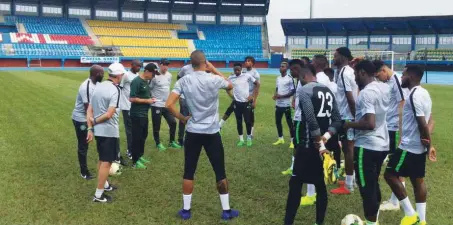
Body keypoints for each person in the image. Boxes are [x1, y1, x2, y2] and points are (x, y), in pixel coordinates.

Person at [165, 50, 239, 221]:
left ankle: (186, 210)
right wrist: (213, 69)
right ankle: (226, 210)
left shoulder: (184, 80)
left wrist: (182, 118)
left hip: (192, 132)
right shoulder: (214, 79)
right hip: (212, 132)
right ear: (205, 63)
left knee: (189, 171)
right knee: (219, 171)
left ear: (191, 64)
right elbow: (229, 84)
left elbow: (169, 104)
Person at [284, 62, 342, 225]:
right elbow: (337, 120)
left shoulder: (304, 90)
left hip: (309, 146)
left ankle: (288, 222)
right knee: (320, 185)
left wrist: (319, 143)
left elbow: (310, 119)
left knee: (295, 183)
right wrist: (326, 137)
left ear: (303, 76)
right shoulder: (328, 90)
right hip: (322, 145)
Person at [384, 65, 436, 225]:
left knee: (390, 174)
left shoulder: (414, 96)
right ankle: (422, 220)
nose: (401, 78)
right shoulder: (424, 93)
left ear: (411, 77)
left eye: (404, 75)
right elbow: (430, 120)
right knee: (417, 180)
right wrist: (428, 146)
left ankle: (410, 213)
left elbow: (423, 124)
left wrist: (428, 146)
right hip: (417, 147)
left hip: (409, 146)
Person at [342, 60, 390, 225]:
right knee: (373, 183)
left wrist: (348, 124)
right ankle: (373, 220)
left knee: (366, 189)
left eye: (356, 74)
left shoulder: (366, 93)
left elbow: (369, 123)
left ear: (362, 72)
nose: (354, 78)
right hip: (383, 144)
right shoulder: (383, 88)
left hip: (367, 146)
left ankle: (370, 223)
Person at [86, 63, 126, 203]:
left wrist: (90, 127)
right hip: (109, 131)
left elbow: (89, 109)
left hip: (99, 132)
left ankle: (106, 185)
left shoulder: (98, 87)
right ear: (119, 75)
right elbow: (109, 114)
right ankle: (98, 195)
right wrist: (95, 121)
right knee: (106, 163)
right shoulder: (116, 90)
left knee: (102, 159)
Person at [371, 60, 408, 211]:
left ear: (384, 70)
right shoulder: (389, 81)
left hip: (394, 128)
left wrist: (401, 130)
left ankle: (395, 202)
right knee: (394, 164)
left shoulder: (396, 80)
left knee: (395, 166)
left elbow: (403, 102)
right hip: (389, 127)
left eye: (379, 75)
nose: (379, 79)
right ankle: (395, 201)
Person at [330, 47, 358, 195]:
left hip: (347, 117)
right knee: (347, 148)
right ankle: (350, 179)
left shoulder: (346, 73)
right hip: (344, 115)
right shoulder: (343, 71)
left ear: (343, 57)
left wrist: (354, 118)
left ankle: (348, 185)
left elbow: (350, 97)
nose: (334, 58)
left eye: (335, 56)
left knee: (348, 149)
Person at [72, 65, 104, 180]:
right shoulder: (86, 87)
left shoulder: (97, 84)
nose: (103, 75)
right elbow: (87, 109)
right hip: (81, 119)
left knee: (101, 140)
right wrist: (94, 123)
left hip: (92, 117)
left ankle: (105, 165)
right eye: (102, 73)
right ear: (96, 74)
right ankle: (84, 172)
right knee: (83, 145)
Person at [129, 63, 158, 169]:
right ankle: (135, 161)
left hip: (144, 114)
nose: (154, 76)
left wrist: (151, 99)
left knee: (143, 136)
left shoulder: (145, 81)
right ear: (147, 71)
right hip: (137, 114)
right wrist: (147, 100)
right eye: (153, 74)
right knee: (136, 138)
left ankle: (140, 156)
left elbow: (144, 95)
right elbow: (131, 98)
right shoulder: (136, 81)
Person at [149, 59, 181, 151]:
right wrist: (152, 99)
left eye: (167, 65)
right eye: (164, 65)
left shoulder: (169, 75)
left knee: (173, 122)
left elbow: (167, 88)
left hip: (166, 104)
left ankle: (171, 142)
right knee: (157, 125)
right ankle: (158, 143)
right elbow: (149, 88)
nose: (166, 67)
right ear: (160, 65)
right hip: (156, 104)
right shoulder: (154, 76)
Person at [227, 63, 260, 147]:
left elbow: (257, 84)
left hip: (246, 103)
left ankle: (248, 138)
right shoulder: (231, 77)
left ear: (241, 69)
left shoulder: (247, 76)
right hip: (237, 103)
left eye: (238, 70)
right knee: (238, 121)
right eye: (235, 70)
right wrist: (231, 96)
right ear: (233, 70)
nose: (237, 71)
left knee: (248, 121)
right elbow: (226, 87)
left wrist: (252, 96)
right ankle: (241, 140)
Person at [119, 60, 141, 160]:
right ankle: (129, 150)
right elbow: (120, 88)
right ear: (132, 65)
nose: (139, 67)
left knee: (136, 129)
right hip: (126, 106)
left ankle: (135, 149)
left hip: (135, 106)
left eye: (140, 66)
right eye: (137, 66)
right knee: (130, 130)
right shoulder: (126, 75)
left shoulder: (138, 75)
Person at [272, 61, 295, 148]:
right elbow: (277, 88)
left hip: (286, 105)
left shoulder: (290, 78)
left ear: (287, 68)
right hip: (278, 104)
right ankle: (280, 138)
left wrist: (281, 96)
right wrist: (275, 95)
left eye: (283, 66)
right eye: (280, 66)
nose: (281, 68)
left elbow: (293, 91)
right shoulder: (278, 78)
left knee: (290, 123)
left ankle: (292, 141)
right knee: (278, 122)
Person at [176, 61, 193, 146]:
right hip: (184, 98)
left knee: (194, 119)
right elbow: (178, 77)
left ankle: (191, 139)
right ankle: (180, 140)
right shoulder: (185, 68)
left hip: (195, 99)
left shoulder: (203, 68)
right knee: (183, 118)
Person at [244, 56, 260, 137]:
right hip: (243, 96)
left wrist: (254, 99)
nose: (247, 62)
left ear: (253, 63)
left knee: (250, 115)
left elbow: (257, 87)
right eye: (246, 61)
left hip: (250, 97)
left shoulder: (255, 74)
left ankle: (251, 133)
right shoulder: (243, 71)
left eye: (249, 61)